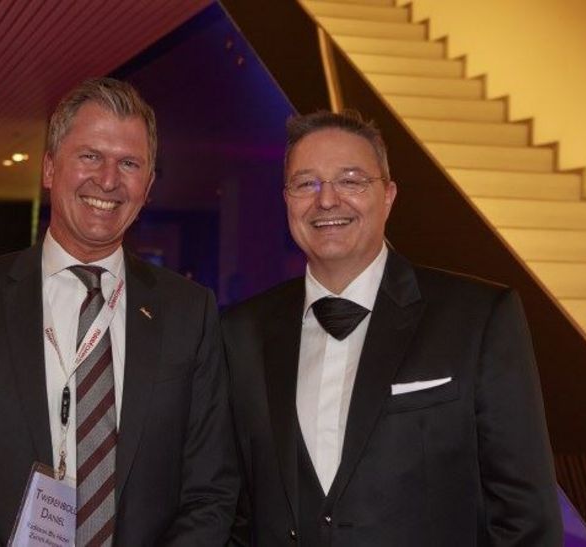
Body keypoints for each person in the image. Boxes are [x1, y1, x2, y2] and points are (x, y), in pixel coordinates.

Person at [0, 77, 237, 545]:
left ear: (147, 186)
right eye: (90, 156)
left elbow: (211, 491)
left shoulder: (190, 312)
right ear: (49, 168)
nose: (108, 180)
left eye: (129, 163)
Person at [221, 110, 562, 545]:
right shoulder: (240, 333)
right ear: (287, 200)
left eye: (351, 181)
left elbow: (526, 518)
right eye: (306, 184)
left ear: (388, 196)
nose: (327, 200)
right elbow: (229, 508)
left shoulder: (478, 317)